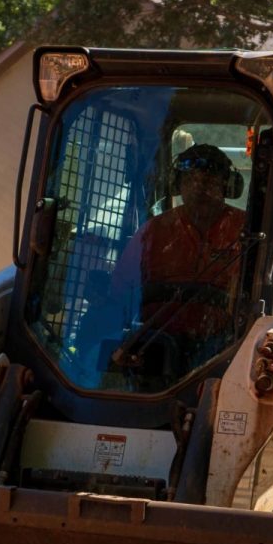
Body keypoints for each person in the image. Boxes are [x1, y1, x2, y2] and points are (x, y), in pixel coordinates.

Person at [110, 143, 248, 375]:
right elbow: (118, 296)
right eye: (190, 180)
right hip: (154, 346)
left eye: (209, 182)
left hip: (224, 349)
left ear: (227, 186)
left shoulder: (246, 232)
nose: (199, 189)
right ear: (177, 184)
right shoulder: (152, 233)